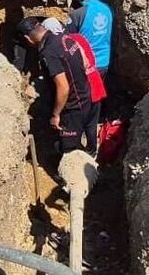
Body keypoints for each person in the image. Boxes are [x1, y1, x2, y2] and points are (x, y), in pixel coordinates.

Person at [17, 16, 94, 165]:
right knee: (74, 138)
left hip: (72, 106)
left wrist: (56, 114)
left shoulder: (49, 52)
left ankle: (74, 181)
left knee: (70, 149)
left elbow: (63, 87)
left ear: (28, 38)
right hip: (84, 96)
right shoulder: (63, 38)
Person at [67, 0, 112, 73]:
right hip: (104, 63)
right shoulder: (107, 9)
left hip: (86, 64)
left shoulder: (78, 13)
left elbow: (69, 41)